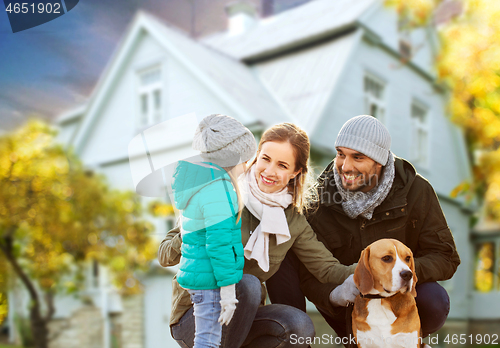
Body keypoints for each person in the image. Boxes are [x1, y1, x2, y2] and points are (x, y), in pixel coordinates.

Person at [266, 115, 461, 346]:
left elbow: (445, 256)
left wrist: (399, 274)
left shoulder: (416, 191)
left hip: (402, 300)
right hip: (347, 303)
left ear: (379, 161)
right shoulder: (319, 199)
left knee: (435, 300)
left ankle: (407, 340)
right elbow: (310, 272)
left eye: (358, 157)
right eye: (340, 154)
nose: (346, 166)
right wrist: (336, 295)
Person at [159, 122, 357, 348]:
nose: (269, 171)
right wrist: (194, 229)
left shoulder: (292, 222)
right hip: (196, 316)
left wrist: (377, 269)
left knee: (299, 325)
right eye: (265, 158)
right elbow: (164, 256)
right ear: (255, 156)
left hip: (245, 320)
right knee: (247, 284)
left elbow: (328, 269)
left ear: (295, 172)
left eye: (282, 165)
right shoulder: (220, 191)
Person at [170, 114, 256, 348]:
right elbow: (218, 243)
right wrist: (228, 291)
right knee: (208, 341)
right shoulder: (218, 188)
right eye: (246, 160)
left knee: (208, 339)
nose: (247, 166)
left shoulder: (203, 182)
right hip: (209, 281)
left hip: (201, 276)